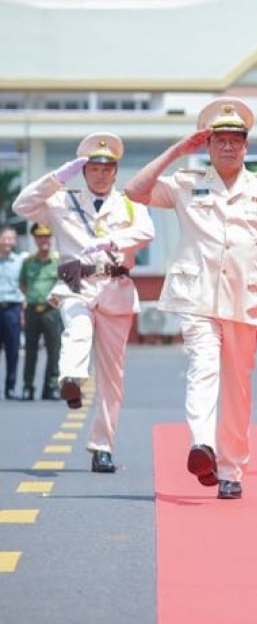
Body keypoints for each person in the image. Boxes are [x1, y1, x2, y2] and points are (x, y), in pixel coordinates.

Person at [125, 98, 257, 500]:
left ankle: (231, 468)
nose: (229, 147)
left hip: (246, 302)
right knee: (203, 369)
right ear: (208, 144)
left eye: (236, 140)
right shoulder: (187, 182)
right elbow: (134, 190)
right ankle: (202, 444)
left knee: (237, 388)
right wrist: (177, 149)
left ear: (246, 146)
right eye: (220, 140)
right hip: (196, 296)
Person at [13, 133, 154, 473]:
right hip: (76, 284)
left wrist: (111, 240)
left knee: (112, 375)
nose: (100, 174)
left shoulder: (131, 204)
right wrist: (58, 176)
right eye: (93, 167)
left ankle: (102, 447)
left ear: (116, 171)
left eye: (107, 168)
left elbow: (146, 233)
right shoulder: (63, 200)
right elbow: (23, 206)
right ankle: (71, 379)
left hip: (115, 285)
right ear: (83, 170)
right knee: (76, 330)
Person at [18, 223, 62, 401]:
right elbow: (22, 284)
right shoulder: (28, 262)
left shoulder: (58, 261)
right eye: (40, 237)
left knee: (54, 351)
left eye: (46, 237)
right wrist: (32, 297)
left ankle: (50, 387)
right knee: (31, 350)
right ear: (35, 239)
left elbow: (64, 284)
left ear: (50, 239)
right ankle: (28, 387)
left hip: (51, 311)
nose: (43, 240)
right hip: (32, 311)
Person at [0, 226, 23, 399]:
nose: (8, 242)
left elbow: (25, 285)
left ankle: (10, 387)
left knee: (12, 350)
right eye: (4, 238)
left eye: (11, 238)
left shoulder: (20, 261)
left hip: (13, 308)